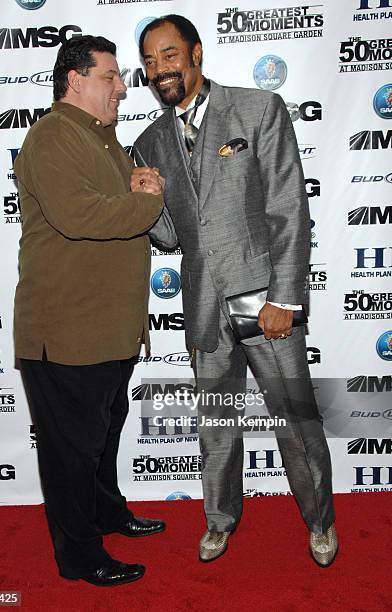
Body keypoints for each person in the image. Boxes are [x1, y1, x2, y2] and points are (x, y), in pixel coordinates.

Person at [134, 15, 338, 567]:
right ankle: (220, 521)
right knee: (217, 428)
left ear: (197, 53)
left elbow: (289, 207)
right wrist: (147, 200)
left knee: (296, 422)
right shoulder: (149, 140)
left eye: (170, 56)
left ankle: (320, 521)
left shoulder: (257, 108)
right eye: (150, 62)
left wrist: (285, 299)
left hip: (263, 298)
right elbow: (172, 238)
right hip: (203, 306)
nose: (160, 71)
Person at [14, 35, 167, 587]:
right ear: (75, 80)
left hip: (107, 329)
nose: (125, 87)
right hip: (68, 330)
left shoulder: (103, 139)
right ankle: (79, 557)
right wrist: (146, 199)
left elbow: (114, 203)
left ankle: (107, 513)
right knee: (73, 451)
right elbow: (81, 216)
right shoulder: (54, 136)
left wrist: (136, 185)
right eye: (111, 76)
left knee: (103, 435)